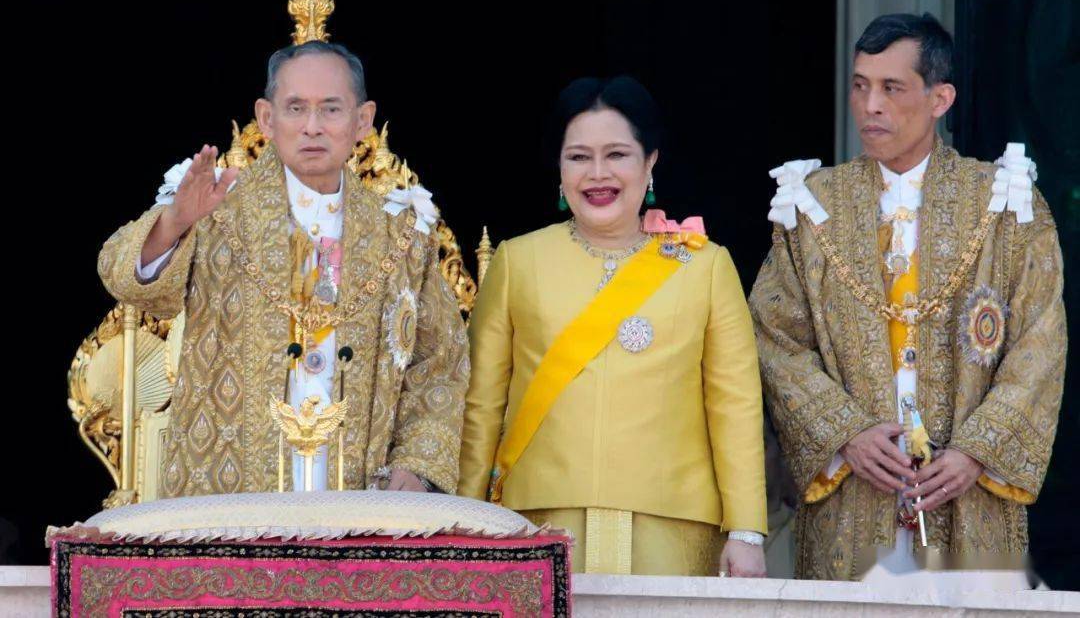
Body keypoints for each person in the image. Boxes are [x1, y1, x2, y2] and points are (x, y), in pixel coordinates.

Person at [749, 13, 1066, 582]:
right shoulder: (810, 205)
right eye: (860, 84)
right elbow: (775, 336)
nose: (870, 105)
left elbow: (1039, 344)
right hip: (853, 499)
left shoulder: (1005, 202)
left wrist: (976, 451)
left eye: (891, 88)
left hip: (971, 504)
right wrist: (845, 433)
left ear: (940, 98)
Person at [98, 41, 469, 497]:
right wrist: (175, 221)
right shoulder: (215, 209)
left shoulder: (403, 237)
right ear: (267, 118)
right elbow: (124, 279)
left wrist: (415, 465)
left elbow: (440, 365)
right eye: (296, 108)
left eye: (331, 109)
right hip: (229, 492)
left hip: (357, 491)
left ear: (362, 120)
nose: (312, 127)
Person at [458, 76, 768, 577]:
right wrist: (464, 517)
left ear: (650, 163)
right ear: (558, 168)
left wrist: (747, 531)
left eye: (617, 155)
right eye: (578, 156)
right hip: (536, 524)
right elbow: (481, 405)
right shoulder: (519, 261)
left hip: (672, 526)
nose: (597, 174)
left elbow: (735, 405)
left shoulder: (706, 265)